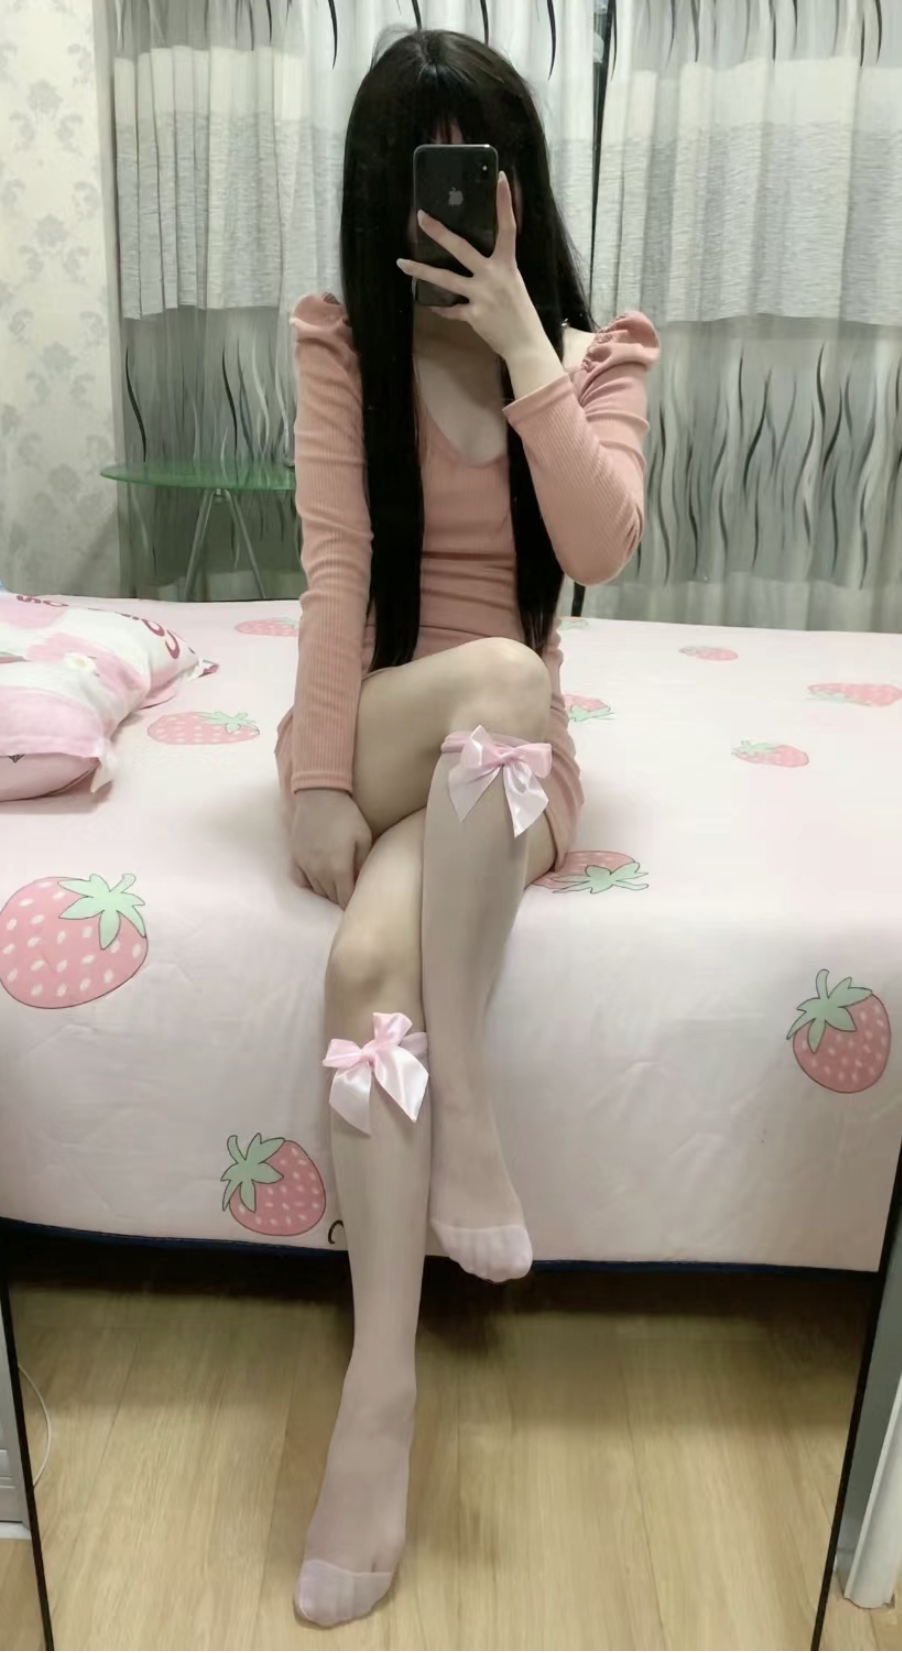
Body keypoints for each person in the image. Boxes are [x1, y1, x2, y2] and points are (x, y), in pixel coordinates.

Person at [275, 27, 659, 1629]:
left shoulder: (597, 354)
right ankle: (473, 1119)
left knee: (369, 969)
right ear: (384, 190)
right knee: (490, 671)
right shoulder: (340, 348)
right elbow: (337, 570)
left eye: (473, 173)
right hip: (382, 736)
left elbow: (601, 548)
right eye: (416, 173)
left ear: (517, 188)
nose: (444, 208)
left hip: (500, 770)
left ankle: (379, 1396)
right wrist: (316, 777)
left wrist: (523, 348)